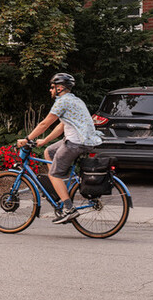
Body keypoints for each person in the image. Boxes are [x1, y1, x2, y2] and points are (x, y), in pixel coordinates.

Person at [16, 72, 102, 223]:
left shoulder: (62, 102)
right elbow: (61, 126)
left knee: (54, 174)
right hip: (82, 140)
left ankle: (69, 208)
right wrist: (44, 141)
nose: (50, 90)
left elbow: (45, 123)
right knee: (48, 152)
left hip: (76, 143)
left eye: (52, 87)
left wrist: (27, 139)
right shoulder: (75, 100)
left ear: (60, 88)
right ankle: (59, 191)